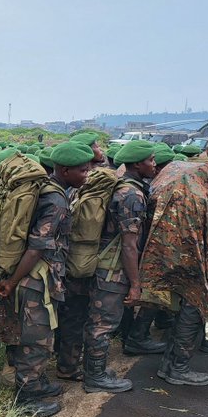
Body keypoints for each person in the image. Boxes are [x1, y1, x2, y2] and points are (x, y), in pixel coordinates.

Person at [139, 135, 208, 386]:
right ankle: (178, 366)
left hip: (162, 251)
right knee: (197, 306)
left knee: (180, 303)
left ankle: (170, 362)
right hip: (199, 256)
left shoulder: (177, 167)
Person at [0, 142, 92, 416]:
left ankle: (35, 385)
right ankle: (26, 400)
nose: (87, 174)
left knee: (34, 335)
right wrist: (13, 281)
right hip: (35, 278)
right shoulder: (57, 200)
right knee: (36, 339)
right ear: (64, 169)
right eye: (82, 170)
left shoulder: (46, 190)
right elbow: (38, 246)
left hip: (31, 275)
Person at [68, 141, 157, 393]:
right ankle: (95, 377)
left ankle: (93, 369)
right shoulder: (132, 195)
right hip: (112, 269)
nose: (154, 164)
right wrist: (136, 284)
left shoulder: (121, 187)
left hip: (102, 263)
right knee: (103, 323)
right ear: (137, 164)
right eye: (150, 160)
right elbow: (130, 245)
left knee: (96, 321)